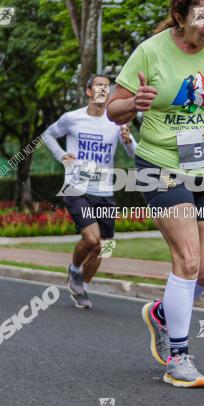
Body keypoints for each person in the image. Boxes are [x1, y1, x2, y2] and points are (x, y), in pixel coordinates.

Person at [107, 0, 204, 388]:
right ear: (179, 17)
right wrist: (131, 106)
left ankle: (161, 313)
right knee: (187, 261)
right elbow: (113, 110)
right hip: (162, 164)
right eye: (200, 16)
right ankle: (178, 357)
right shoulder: (149, 52)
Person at [43, 74, 136, 309]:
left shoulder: (117, 122)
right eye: (99, 86)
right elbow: (48, 135)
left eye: (107, 87)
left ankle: (81, 285)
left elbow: (134, 154)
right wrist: (61, 155)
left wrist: (129, 141)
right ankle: (74, 269)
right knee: (92, 239)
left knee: (104, 247)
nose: (104, 89)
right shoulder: (72, 118)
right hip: (77, 186)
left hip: (104, 189)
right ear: (88, 91)